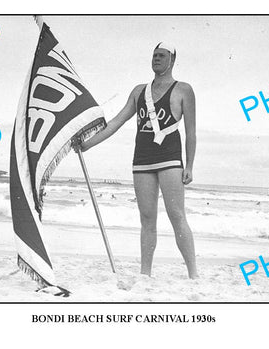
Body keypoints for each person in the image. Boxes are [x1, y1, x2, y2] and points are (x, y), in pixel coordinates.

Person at [77, 42, 198, 279]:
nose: (156, 59)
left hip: (170, 159)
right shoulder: (138, 91)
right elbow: (115, 122)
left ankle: (193, 273)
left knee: (176, 215)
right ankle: (145, 273)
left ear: (172, 60)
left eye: (162, 56)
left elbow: (191, 132)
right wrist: (87, 144)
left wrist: (190, 165)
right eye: (154, 55)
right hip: (142, 160)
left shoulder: (184, 90)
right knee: (147, 218)